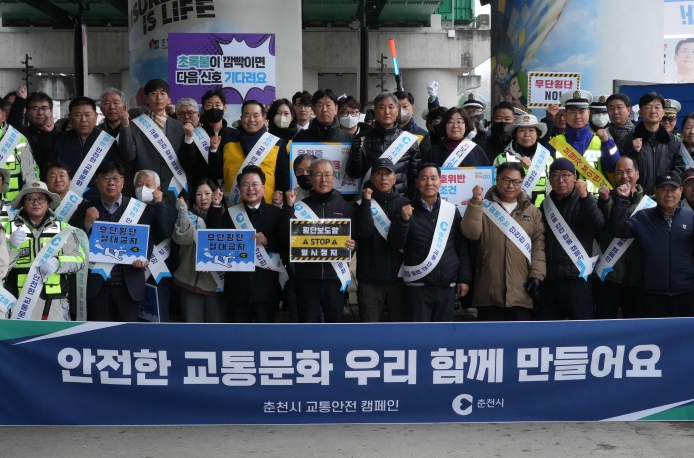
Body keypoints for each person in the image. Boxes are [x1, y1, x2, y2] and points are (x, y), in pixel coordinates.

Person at [69, 162, 163, 322]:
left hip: (129, 286)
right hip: (96, 286)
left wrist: (143, 258)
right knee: (99, 334)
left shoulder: (139, 209)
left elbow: (149, 239)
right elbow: (73, 243)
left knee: (126, 335)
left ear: (123, 182)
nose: (111, 183)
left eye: (115, 178)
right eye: (105, 178)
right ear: (97, 181)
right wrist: (87, 224)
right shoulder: (85, 209)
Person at [461, 162, 545, 321]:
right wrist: (476, 203)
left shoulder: (532, 211)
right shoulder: (483, 206)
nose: (510, 185)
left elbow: (538, 246)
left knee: (520, 335)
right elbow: (470, 233)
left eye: (516, 181)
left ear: (522, 182)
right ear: (497, 179)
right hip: (488, 288)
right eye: (506, 180)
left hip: (521, 289)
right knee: (490, 336)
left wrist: (537, 275)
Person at [610, 171, 694, 317]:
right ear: (655, 191)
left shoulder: (691, 217)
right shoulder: (643, 217)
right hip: (652, 295)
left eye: (673, 190)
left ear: (681, 191)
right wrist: (622, 199)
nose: (669, 194)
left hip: (686, 294)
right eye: (663, 189)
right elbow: (619, 230)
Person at [207, 165, 285, 323]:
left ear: (263, 187)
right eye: (245, 184)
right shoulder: (230, 213)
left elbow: (286, 244)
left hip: (266, 289)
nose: (250, 189)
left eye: (255, 184)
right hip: (237, 289)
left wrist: (267, 241)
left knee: (266, 333)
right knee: (238, 335)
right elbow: (214, 237)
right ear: (240, 188)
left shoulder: (276, 213)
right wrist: (215, 206)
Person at [283, 158, 356, 323]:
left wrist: (353, 244)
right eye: (318, 175)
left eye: (327, 174)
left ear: (333, 177)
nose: (323, 179)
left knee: (334, 326)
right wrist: (288, 208)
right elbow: (285, 236)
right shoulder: (299, 206)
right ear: (310, 177)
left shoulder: (345, 207)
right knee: (308, 327)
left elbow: (356, 238)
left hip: (335, 278)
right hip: (307, 279)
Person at [398, 163, 471, 321]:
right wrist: (403, 221)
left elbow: (461, 247)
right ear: (417, 182)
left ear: (441, 182)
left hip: (447, 285)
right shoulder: (406, 210)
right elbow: (397, 244)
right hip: (417, 285)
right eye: (424, 178)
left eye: (433, 178)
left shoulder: (451, 210)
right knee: (419, 333)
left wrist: (464, 279)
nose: (429, 183)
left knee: (443, 335)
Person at [5, 181, 85, 321]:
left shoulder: (63, 229)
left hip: (55, 302)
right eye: (30, 199)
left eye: (41, 198)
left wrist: (57, 262)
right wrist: (11, 247)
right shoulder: (8, 229)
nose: (36, 203)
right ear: (23, 203)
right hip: (18, 302)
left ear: (48, 203)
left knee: (56, 336)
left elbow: (79, 259)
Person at [538, 158, 604, 320]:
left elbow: (597, 226)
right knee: (550, 330)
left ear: (574, 178)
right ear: (550, 179)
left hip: (578, 279)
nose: (560, 180)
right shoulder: (545, 205)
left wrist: (585, 197)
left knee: (581, 330)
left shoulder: (586, 200)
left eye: (565, 175)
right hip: (550, 280)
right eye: (555, 175)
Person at [354, 158, 410, 322]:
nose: (383, 178)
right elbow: (364, 232)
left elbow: (400, 242)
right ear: (372, 178)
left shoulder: (405, 204)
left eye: (387, 174)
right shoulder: (360, 205)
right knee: (369, 328)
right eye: (379, 173)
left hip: (399, 280)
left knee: (398, 329)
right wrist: (366, 202)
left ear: (395, 178)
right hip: (369, 279)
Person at [595, 156, 649, 319]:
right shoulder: (604, 199)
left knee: (634, 329)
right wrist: (604, 202)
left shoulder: (649, 205)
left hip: (636, 280)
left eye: (628, 171)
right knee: (604, 326)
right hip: (608, 277)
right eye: (619, 172)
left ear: (637, 174)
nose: (624, 176)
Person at [119, 78, 185, 206]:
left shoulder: (178, 127)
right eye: (154, 93)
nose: (158, 98)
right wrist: (125, 127)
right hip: (143, 192)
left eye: (163, 93)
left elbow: (184, 162)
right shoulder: (135, 125)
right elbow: (128, 155)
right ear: (146, 98)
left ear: (168, 99)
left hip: (172, 191)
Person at [347, 92, 421, 199]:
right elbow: (353, 174)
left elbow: (415, 178)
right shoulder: (363, 138)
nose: (387, 112)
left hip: (400, 202)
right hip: (370, 202)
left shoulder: (408, 141)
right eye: (382, 107)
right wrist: (356, 152)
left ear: (397, 110)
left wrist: (411, 203)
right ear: (375, 111)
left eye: (391, 107)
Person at [216, 100, 290, 206]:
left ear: (264, 119)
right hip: (233, 208)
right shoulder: (228, 141)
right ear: (241, 118)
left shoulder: (277, 143)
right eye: (247, 115)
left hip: (267, 208)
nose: (251, 120)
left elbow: (283, 181)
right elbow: (218, 172)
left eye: (256, 116)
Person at [172, 179, 226, 323]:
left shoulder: (225, 215)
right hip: (189, 282)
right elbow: (183, 239)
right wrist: (183, 212)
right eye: (198, 194)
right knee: (192, 330)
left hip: (217, 283)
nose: (203, 198)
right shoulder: (187, 215)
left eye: (207, 193)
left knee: (215, 331)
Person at [617, 92, 691, 193]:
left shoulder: (673, 141)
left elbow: (679, 168)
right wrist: (633, 152)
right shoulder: (627, 140)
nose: (653, 111)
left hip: (664, 197)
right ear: (640, 112)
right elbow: (620, 170)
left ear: (663, 112)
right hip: (636, 197)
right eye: (648, 107)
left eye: (657, 107)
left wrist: (665, 189)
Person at [51, 97, 120, 202]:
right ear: (70, 117)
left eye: (88, 115)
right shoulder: (58, 140)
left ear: (96, 116)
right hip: (65, 200)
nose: (83, 119)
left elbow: (114, 173)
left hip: (99, 199)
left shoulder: (107, 141)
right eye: (78, 115)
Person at [553, 90, 620, 192]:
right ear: (565, 115)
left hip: (596, 199)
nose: (577, 116)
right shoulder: (555, 142)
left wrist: (607, 143)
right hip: (564, 199)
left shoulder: (603, 141)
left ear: (589, 113)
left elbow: (614, 168)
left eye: (582, 112)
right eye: (573, 112)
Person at [133, 169, 176, 322]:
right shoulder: (129, 209)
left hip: (158, 274)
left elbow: (165, 232)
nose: (143, 188)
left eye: (148, 185)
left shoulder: (167, 208)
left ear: (158, 188)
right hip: (134, 272)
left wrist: (159, 204)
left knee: (158, 323)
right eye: (139, 185)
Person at [179, 88, 238, 187]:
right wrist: (188, 138)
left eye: (218, 105)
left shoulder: (235, 134)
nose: (214, 108)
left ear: (224, 108)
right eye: (209, 105)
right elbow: (187, 164)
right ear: (203, 109)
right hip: (202, 190)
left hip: (229, 189)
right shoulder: (193, 134)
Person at [492, 114, 553, 207]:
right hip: (511, 211)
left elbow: (552, 187)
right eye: (521, 130)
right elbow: (495, 186)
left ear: (537, 134)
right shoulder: (502, 158)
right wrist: (520, 168)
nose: (526, 135)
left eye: (531, 130)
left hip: (541, 211)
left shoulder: (546, 157)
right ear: (515, 134)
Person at [7, 86, 54, 169]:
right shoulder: (22, 134)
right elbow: (14, 125)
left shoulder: (60, 135)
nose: (40, 112)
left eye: (44, 108)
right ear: (27, 112)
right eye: (35, 108)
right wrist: (20, 99)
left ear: (51, 110)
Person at [0, 111, 39, 202]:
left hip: (12, 204)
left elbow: (30, 172)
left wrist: (33, 197)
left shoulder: (17, 138)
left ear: (3, 116)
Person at [394, 91, 432, 162]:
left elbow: (426, 162)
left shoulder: (422, 135)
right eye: (397, 107)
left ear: (412, 110)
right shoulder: (383, 132)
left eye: (405, 106)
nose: (401, 110)